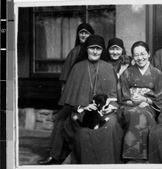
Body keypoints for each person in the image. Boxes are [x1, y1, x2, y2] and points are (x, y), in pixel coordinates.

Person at [59, 35, 124, 164]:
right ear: (86, 49)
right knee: (83, 133)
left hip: (105, 112)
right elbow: (70, 101)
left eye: (98, 49)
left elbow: (115, 97)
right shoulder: (77, 68)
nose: (95, 52)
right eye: (92, 48)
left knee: (109, 126)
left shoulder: (108, 68)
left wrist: (108, 107)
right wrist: (83, 106)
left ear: (102, 51)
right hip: (82, 112)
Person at [37, 23, 94, 165]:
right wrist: (66, 97)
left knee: (67, 120)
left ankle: (58, 154)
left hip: (88, 97)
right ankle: (54, 154)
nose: (83, 35)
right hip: (73, 95)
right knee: (60, 119)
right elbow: (65, 79)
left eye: (86, 33)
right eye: (81, 33)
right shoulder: (75, 52)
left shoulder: (95, 52)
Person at [118, 41, 162, 163]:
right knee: (135, 112)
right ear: (133, 57)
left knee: (142, 113)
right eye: (136, 55)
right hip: (129, 105)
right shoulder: (127, 72)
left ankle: (139, 158)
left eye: (143, 54)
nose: (140, 58)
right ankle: (135, 157)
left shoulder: (157, 73)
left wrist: (146, 100)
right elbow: (122, 97)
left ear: (149, 54)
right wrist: (135, 103)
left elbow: (161, 99)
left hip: (149, 106)